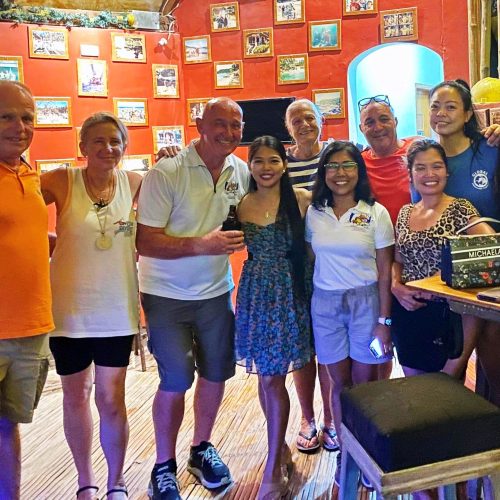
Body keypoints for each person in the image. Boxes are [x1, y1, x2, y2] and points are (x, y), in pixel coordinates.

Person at [136, 97, 250, 500]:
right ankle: (162, 466)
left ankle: (201, 449)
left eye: (236, 125)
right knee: (176, 379)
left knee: (216, 373)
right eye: (220, 123)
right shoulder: (167, 172)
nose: (229, 132)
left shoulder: (240, 170)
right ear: (200, 125)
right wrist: (204, 244)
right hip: (165, 295)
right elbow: (145, 242)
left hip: (217, 292)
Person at [41, 112, 142, 500]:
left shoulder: (134, 182)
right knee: (76, 396)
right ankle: (86, 480)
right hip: (69, 312)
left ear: (124, 146)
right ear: (82, 146)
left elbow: (172, 202)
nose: (108, 148)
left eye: (115, 141)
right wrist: (53, 243)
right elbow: (18, 205)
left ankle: (116, 480)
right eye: (98, 141)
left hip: (117, 311)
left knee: (111, 398)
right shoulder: (61, 180)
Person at [306, 140, 394, 486]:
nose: (340, 173)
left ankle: (367, 451)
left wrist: (384, 321)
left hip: (366, 305)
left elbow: (385, 271)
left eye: (348, 165)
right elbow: (312, 259)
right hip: (325, 306)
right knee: (338, 384)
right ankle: (347, 451)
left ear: (359, 170)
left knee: (365, 383)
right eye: (332, 166)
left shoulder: (376, 212)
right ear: (323, 172)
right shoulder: (314, 213)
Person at [235, 136, 313, 499]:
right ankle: (277, 449)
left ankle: (273, 463)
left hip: (291, 291)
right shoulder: (240, 204)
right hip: (257, 293)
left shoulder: (302, 199)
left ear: (284, 164)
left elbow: (315, 249)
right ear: (249, 166)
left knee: (273, 378)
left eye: (273, 160)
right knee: (267, 377)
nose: (266, 168)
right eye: (258, 161)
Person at [391, 139, 494, 378]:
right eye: (420, 167)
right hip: (408, 311)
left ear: (447, 171)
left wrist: (441, 281)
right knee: (414, 389)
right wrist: (395, 285)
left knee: (446, 390)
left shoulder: (461, 208)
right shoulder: (405, 212)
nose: (429, 174)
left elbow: (491, 251)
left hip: (450, 315)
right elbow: (398, 260)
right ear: (410, 174)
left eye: (436, 166)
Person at [429, 79, 500, 403]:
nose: (441, 113)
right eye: (435, 106)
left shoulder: (490, 148)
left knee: (492, 357)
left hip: (489, 274)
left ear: (469, 113)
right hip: (440, 279)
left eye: (451, 106)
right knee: (447, 367)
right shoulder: (426, 158)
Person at [0, 80, 54, 499]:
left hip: (30, 328)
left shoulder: (30, 173)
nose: (19, 127)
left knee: (8, 427)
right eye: (6, 117)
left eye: (27, 118)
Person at [284, 99, 337, 453]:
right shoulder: (280, 163)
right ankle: (308, 419)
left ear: (321, 121)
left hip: (332, 265)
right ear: (287, 128)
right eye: (296, 120)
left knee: (330, 347)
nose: (304, 124)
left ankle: (332, 419)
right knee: (302, 349)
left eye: (309, 117)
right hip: (295, 269)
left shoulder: (336, 155)